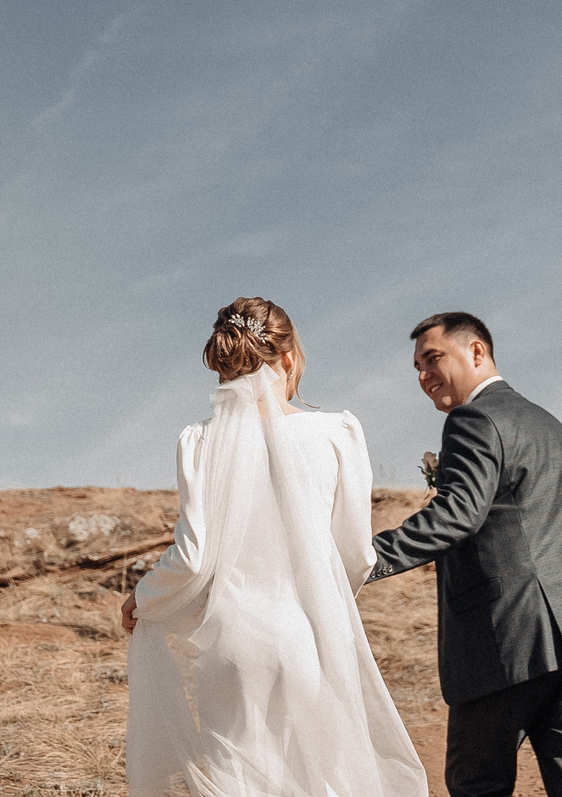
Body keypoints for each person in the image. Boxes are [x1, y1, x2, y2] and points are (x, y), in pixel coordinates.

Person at [123, 296, 429, 797]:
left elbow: (193, 557)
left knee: (241, 780)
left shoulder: (198, 443)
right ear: (289, 359)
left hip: (235, 645)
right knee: (323, 779)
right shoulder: (338, 433)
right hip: (311, 636)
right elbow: (357, 554)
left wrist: (143, 597)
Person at [367, 311, 562, 797]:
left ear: (476, 351)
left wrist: (363, 560)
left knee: (478, 787)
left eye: (432, 359)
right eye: (416, 368)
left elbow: (457, 514)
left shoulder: (472, 418)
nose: (424, 376)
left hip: (507, 642)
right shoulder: (550, 424)